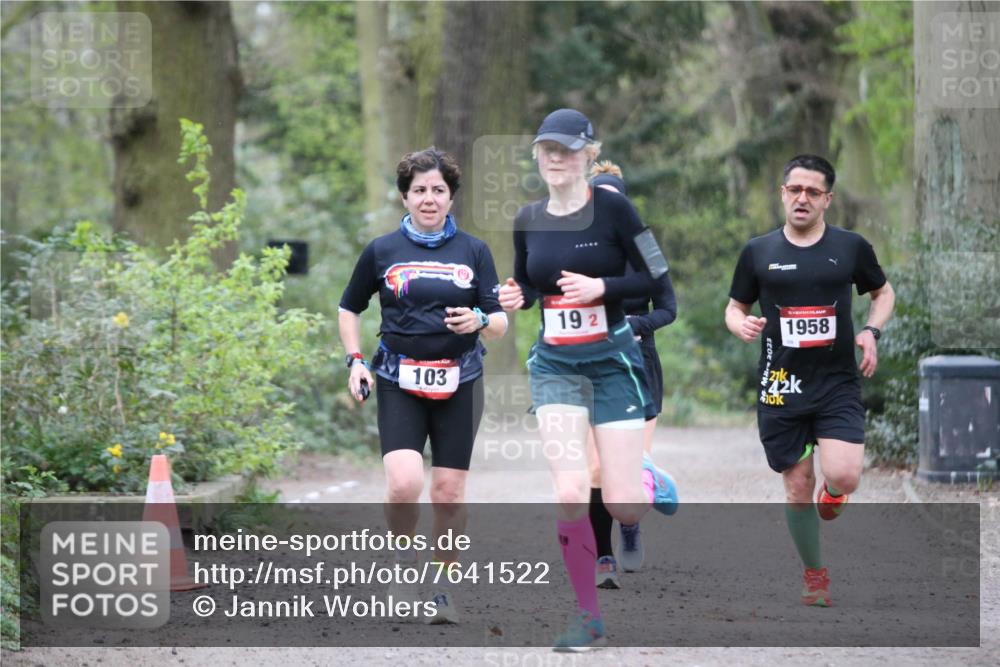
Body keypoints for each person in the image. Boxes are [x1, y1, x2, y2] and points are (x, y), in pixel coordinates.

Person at [499, 109, 677, 651]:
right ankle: (588, 615)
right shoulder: (528, 217)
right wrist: (513, 298)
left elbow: (656, 276)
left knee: (622, 505)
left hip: (613, 360)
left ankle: (647, 479)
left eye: (569, 149)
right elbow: (529, 287)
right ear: (537, 155)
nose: (558, 158)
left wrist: (601, 287)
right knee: (573, 489)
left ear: (589, 155)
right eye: (548, 149)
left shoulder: (616, 208)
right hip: (556, 364)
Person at [338, 147, 507, 624]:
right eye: (419, 191)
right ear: (404, 197)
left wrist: (477, 319)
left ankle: (444, 587)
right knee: (405, 483)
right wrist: (355, 361)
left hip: (462, 382)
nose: (428, 199)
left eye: (438, 190)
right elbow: (349, 308)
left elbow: (499, 323)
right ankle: (402, 562)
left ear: (451, 197)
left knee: (449, 493)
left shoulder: (474, 251)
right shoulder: (382, 251)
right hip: (397, 378)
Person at [724, 154, 894, 608]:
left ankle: (835, 492)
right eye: (794, 189)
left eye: (812, 192)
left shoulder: (851, 247)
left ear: (827, 200)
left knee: (844, 474)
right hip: (780, 385)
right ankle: (815, 574)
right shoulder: (758, 252)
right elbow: (735, 306)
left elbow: (883, 292)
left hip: (837, 381)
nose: (802, 198)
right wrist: (738, 323)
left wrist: (870, 331)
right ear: (782, 194)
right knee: (797, 485)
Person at [588, 162, 678, 588]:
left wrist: (630, 326)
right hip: (586, 362)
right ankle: (603, 556)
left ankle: (630, 521)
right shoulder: (576, 247)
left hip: (638, 362)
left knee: (627, 469)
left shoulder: (646, 248)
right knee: (594, 470)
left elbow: (668, 309)